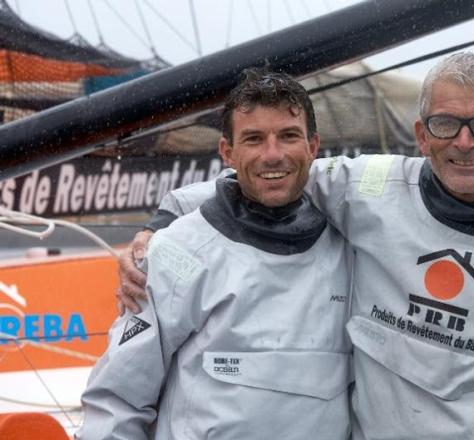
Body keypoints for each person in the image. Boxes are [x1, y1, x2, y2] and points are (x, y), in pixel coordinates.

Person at [119, 52, 474, 439]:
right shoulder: (371, 189)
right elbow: (274, 176)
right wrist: (163, 220)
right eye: (444, 124)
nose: (464, 142)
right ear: (421, 135)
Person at [78, 69, 353, 440]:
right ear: (228, 152)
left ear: (313, 147)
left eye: (288, 136)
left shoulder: (351, 246)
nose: (272, 154)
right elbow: (116, 400)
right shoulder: (177, 252)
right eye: (253, 139)